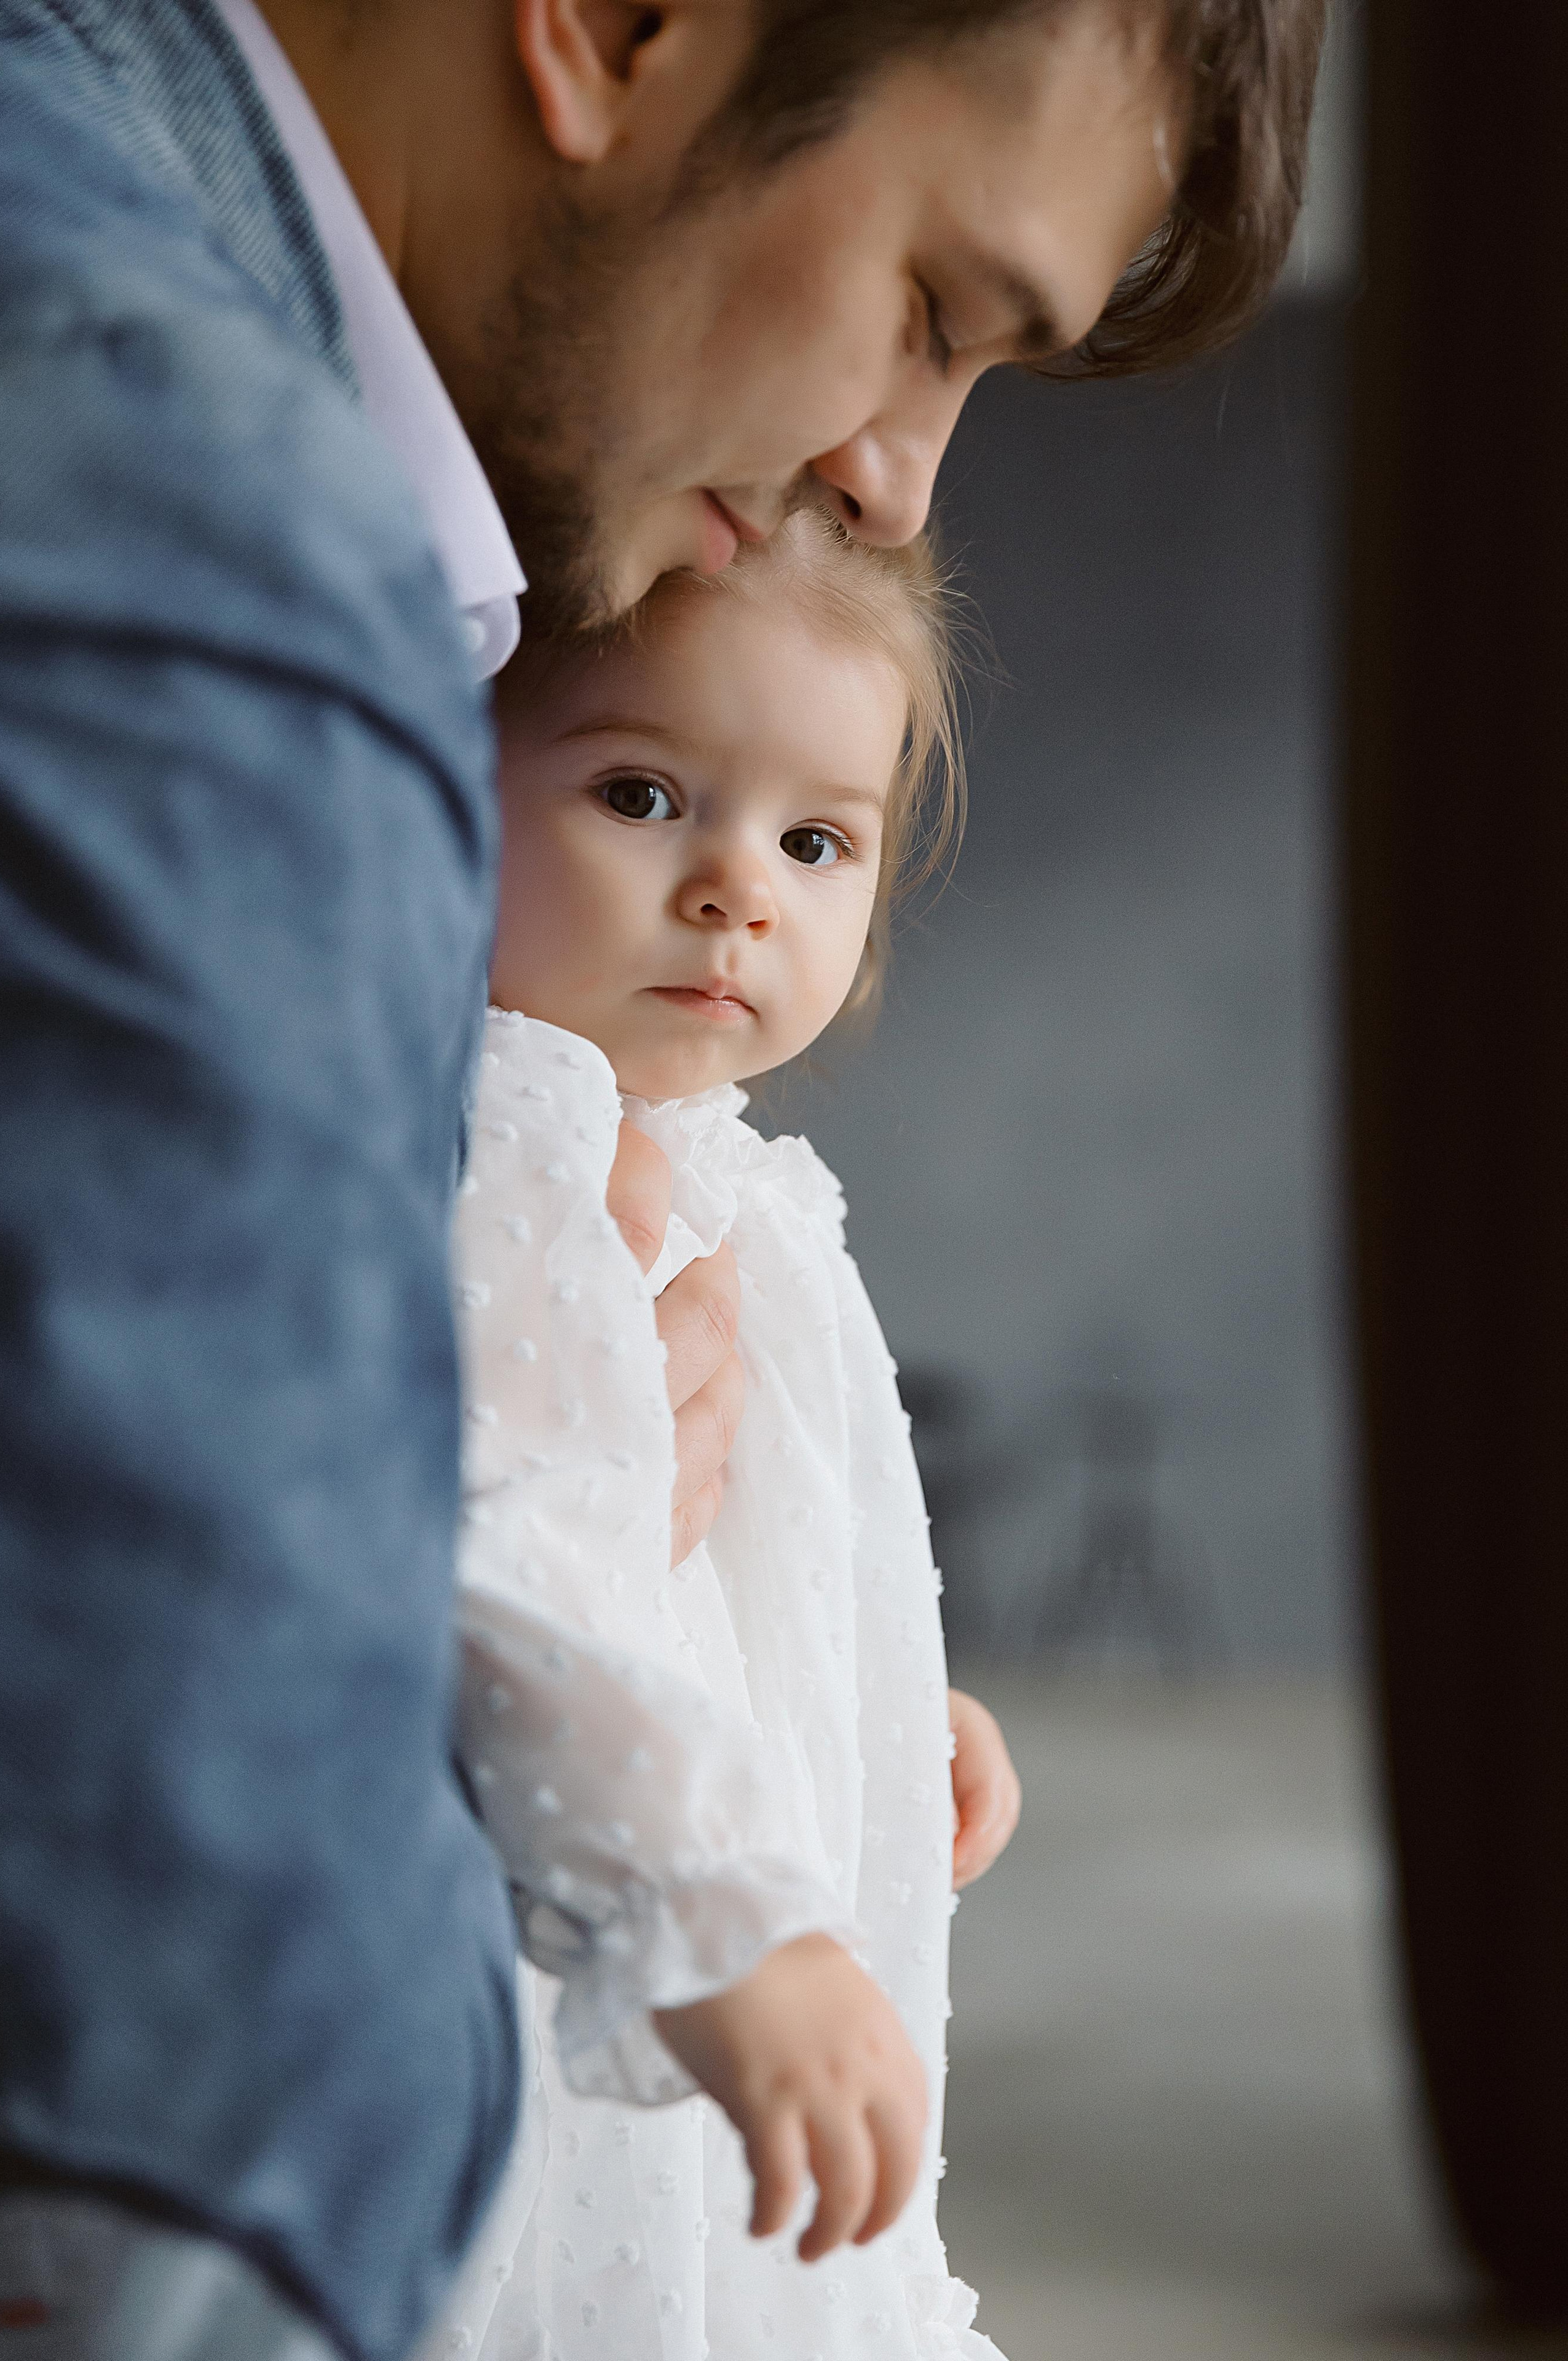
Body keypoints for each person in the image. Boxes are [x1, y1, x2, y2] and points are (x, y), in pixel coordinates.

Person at [0, 2, 1324, 2358]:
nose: (899, 484)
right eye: (934, 306)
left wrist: (825, 1689)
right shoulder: (196, 537)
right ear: (617, 32)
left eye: (820, 840)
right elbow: (191, 2098)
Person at [440, 511, 1012, 2360]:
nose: (737, 888)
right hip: (596, 1944)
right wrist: (712, 1913)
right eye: (640, 795)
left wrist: (864, 1697)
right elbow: (495, 1565)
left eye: (816, 839)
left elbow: (725, 1553)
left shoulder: (730, 1182)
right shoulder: (504, 1158)